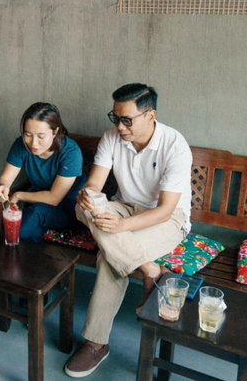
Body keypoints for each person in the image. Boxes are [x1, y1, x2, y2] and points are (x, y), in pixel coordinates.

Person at [63, 84, 192, 378]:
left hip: (167, 219)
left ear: (150, 116)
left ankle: (95, 343)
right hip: (123, 207)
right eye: (115, 118)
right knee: (82, 208)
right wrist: (88, 195)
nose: (120, 126)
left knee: (108, 257)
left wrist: (120, 226)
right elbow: (95, 185)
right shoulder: (111, 138)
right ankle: (152, 271)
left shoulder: (175, 145)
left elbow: (165, 210)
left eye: (127, 120)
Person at [0, 102, 86, 243]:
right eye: (28, 134)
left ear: (55, 132)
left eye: (41, 136)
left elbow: (54, 198)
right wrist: (2, 186)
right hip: (36, 208)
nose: (33, 143)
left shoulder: (71, 152)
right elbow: (5, 179)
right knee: (33, 233)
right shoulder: (21, 145)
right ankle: (8, 253)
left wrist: (18, 195)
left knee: (35, 214)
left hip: (68, 210)